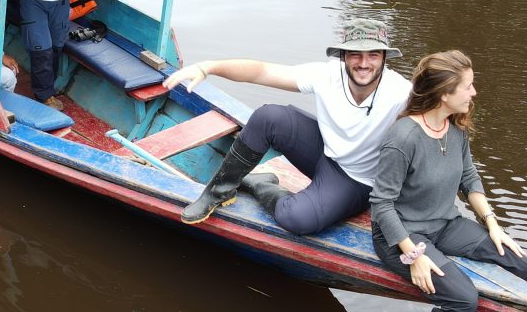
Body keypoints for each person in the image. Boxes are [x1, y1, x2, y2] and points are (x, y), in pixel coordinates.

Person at [369, 50, 527, 312]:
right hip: (401, 235)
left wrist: (492, 224)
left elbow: (469, 178)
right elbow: (381, 204)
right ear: (444, 92)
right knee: (461, 298)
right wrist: (413, 255)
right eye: (467, 86)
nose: (474, 92)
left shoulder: (455, 128)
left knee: (520, 266)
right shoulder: (403, 138)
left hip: (445, 223)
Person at [163, 17, 411, 232]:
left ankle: (260, 184)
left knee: (296, 218)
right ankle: (218, 191)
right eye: (355, 54)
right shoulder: (327, 75)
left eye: (373, 55)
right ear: (344, 56)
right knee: (268, 117)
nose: (364, 63)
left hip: (356, 180)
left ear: (384, 58)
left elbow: (431, 132)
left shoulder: (401, 94)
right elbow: (261, 72)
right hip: (324, 153)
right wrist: (207, 67)